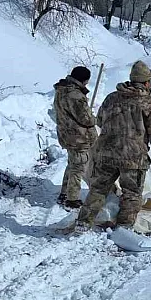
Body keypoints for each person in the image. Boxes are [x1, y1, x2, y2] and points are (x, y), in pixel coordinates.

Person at [74, 60, 151, 233]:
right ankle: (123, 228)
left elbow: (99, 120)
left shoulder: (112, 97)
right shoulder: (149, 104)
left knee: (98, 189)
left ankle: (83, 222)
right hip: (133, 158)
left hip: (106, 153)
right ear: (147, 82)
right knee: (131, 193)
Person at [53, 66, 97, 209]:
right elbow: (86, 119)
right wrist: (94, 118)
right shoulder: (76, 96)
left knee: (72, 164)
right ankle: (72, 199)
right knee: (78, 168)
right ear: (84, 80)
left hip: (66, 134)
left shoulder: (61, 90)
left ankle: (64, 193)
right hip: (78, 137)